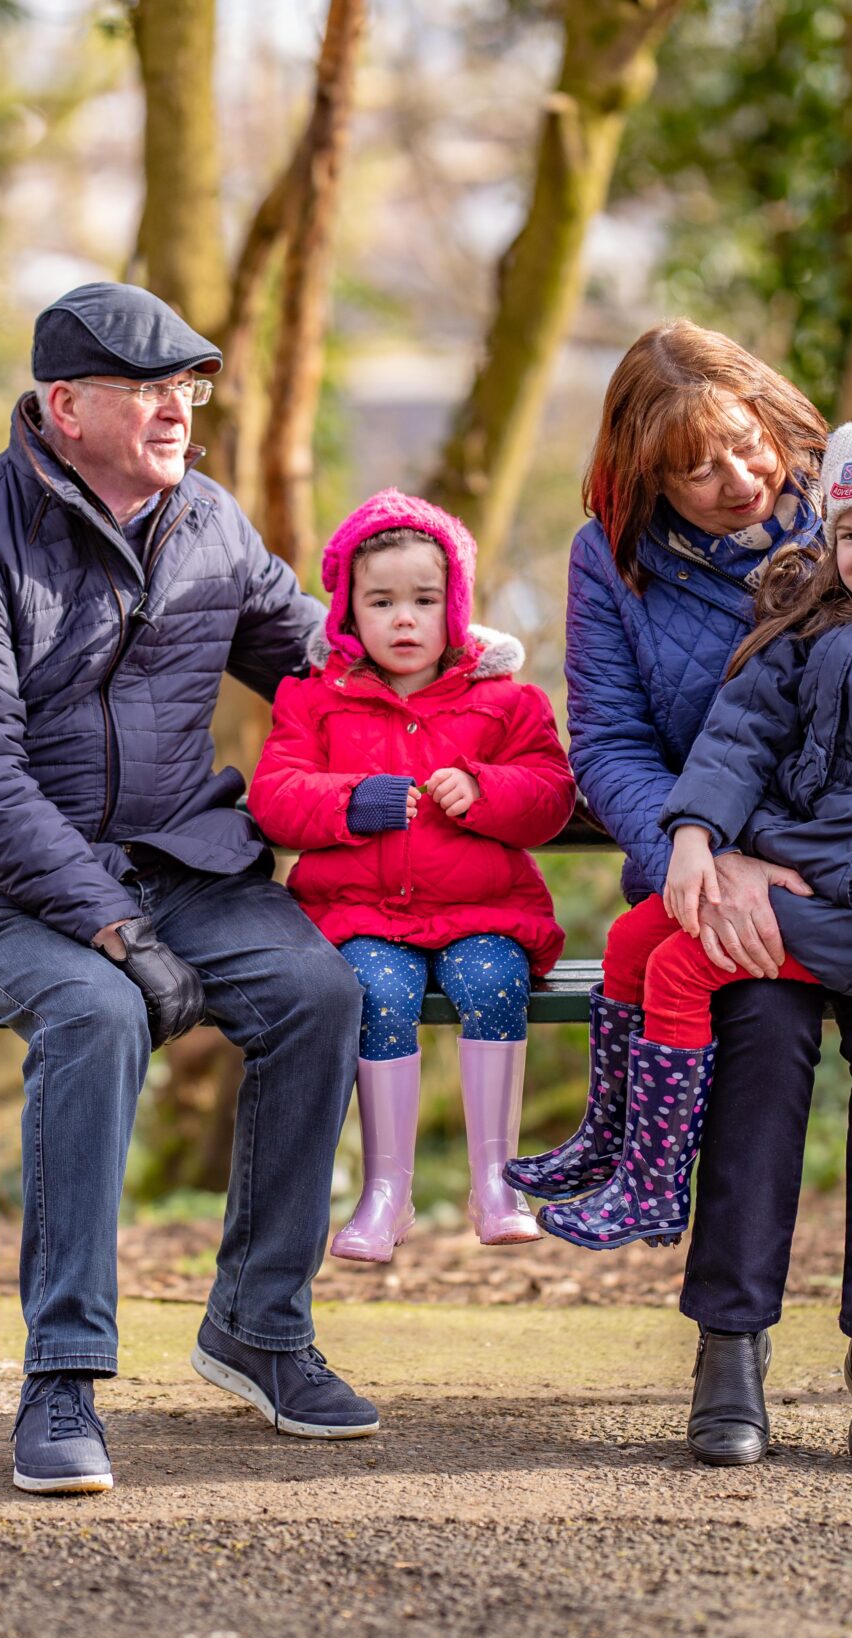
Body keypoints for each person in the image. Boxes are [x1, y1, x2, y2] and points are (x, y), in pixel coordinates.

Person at [0, 282, 379, 1498]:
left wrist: (441, 657)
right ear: (65, 407)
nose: (177, 410)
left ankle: (260, 1327)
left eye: (187, 388)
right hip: (1, 883)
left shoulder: (206, 520)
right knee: (96, 1014)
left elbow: (311, 659)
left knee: (319, 991)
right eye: (150, 389)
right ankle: (62, 1379)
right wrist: (110, 927)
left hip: (183, 861)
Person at [522, 404, 852, 1457]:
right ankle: (730, 1336)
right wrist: (694, 834)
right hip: (783, 881)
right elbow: (737, 733)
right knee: (757, 1033)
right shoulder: (807, 606)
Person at [249, 490, 576, 1262]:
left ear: (455, 607)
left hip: (481, 911)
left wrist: (486, 789)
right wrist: (350, 801)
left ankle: (495, 1179)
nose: (404, 619)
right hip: (362, 915)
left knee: (495, 982)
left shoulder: (506, 701)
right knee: (375, 993)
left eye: (424, 600)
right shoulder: (315, 700)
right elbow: (274, 796)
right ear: (348, 614)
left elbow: (552, 792)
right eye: (382, 601)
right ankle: (386, 1190)